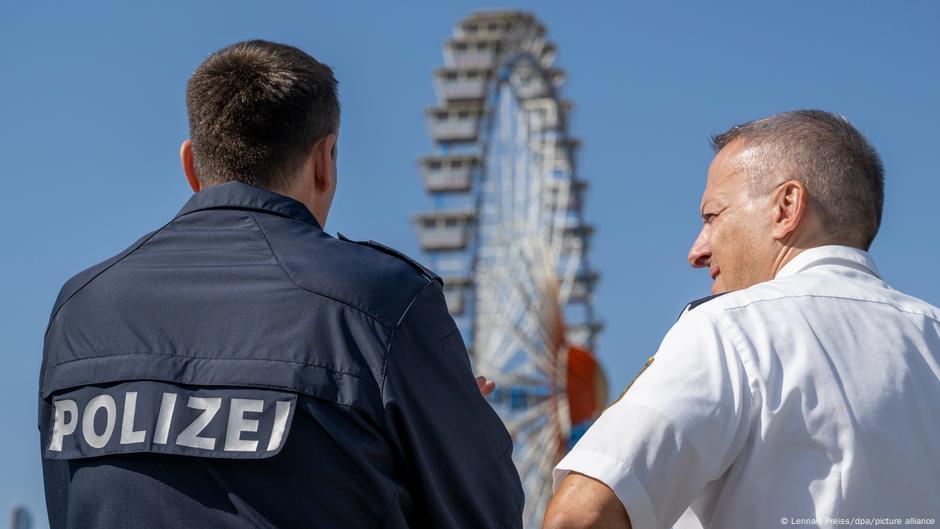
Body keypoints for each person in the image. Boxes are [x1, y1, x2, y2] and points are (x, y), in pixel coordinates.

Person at [38, 39, 522, 529]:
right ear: (324, 160)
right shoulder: (383, 303)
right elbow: (483, 514)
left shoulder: (79, 310)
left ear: (191, 165)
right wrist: (463, 439)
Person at [544, 110, 940, 528]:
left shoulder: (731, 330)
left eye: (713, 217)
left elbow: (579, 516)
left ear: (786, 207)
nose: (697, 251)